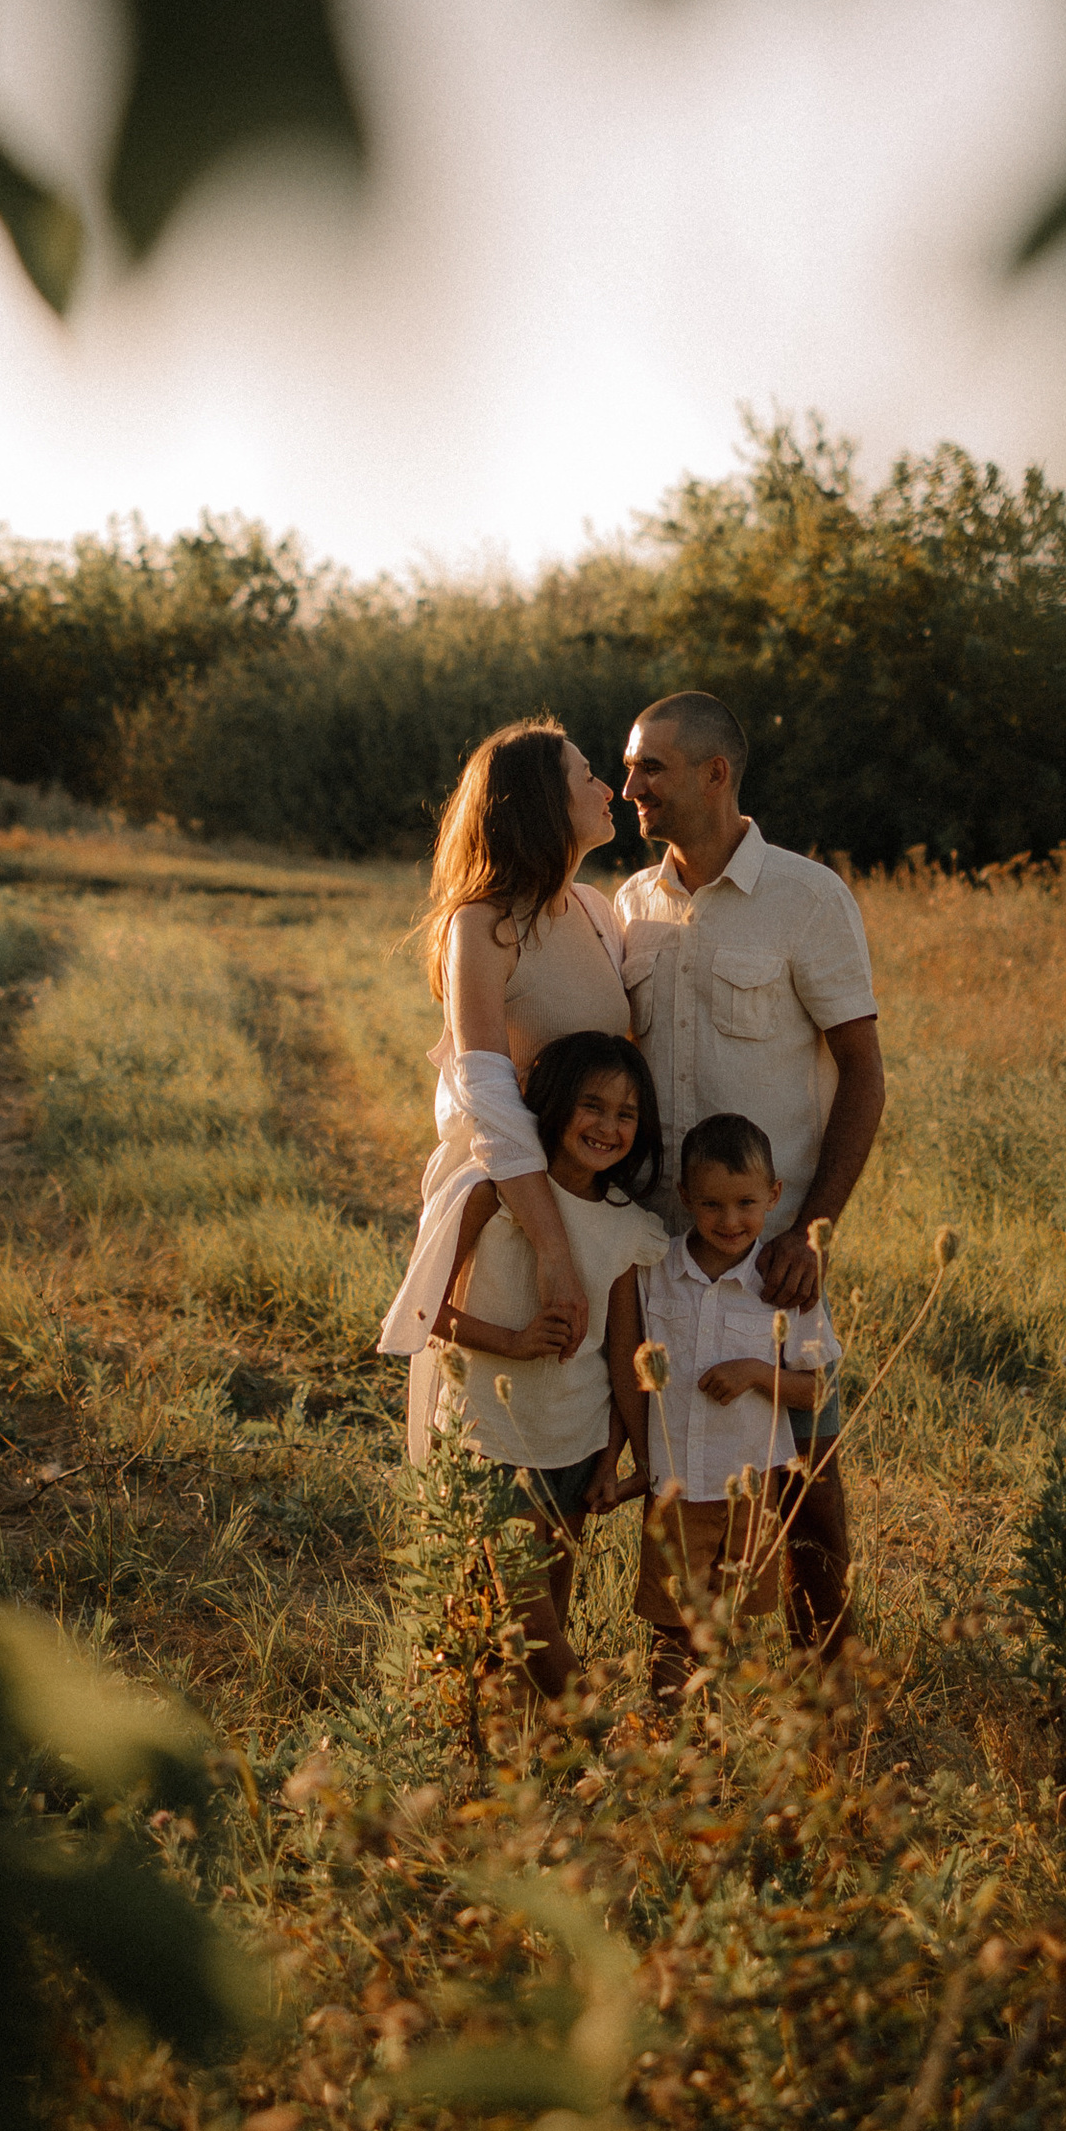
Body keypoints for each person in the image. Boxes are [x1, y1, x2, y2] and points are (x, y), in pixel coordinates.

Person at [617, 689, 883, 1655]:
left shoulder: (808, 900)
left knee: (804, 1470)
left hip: (772, 1247)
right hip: (664, 1246)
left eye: (651, 768)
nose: (629, 786)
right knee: (677, 1458)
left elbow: (862, 1070)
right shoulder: (632, 905)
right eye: (630, 767)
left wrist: (814, 1232)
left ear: (715, 775)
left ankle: (829, 1675)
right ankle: (680, 1672)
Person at [378, 720, 632, 1460]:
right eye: (587, 775)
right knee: (494, 1448)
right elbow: (484, 1087)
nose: (606, 787)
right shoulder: (482, 925)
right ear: (543, 804)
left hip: (586, 1195)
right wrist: (551, 1246)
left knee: (569, 1434)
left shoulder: (594, 909)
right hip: (510, 1209)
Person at [416, 1028, 664, 1696]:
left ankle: (523, 1766)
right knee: (532, 1629)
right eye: (593, 1105)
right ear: (552, 1101)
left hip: (576, 1446)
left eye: (626, 1113)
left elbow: (622, 1358)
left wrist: (623, 1457)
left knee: (535, 1616)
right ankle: (611, 1747)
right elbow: (423, 1312)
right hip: (492, 1440)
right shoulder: (494, 1196)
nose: (608, 1126)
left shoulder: (627, 1225)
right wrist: (513, 1341)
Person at [603, 1111, 830, 1702]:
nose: (730, 1221)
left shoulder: (785, 1282)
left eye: (746, 1204)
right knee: (673, 1624)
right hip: (678, 1483)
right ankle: (669, 1732)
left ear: (775, 1196)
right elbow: (624, 1371)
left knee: (731, 1623)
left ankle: (716, 1733)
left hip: (751, 1485)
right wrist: (626, 1461)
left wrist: (757, 1372)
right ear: (685, 1198)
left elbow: (818, 1390)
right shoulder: (657, 1274)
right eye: (711, 1206)